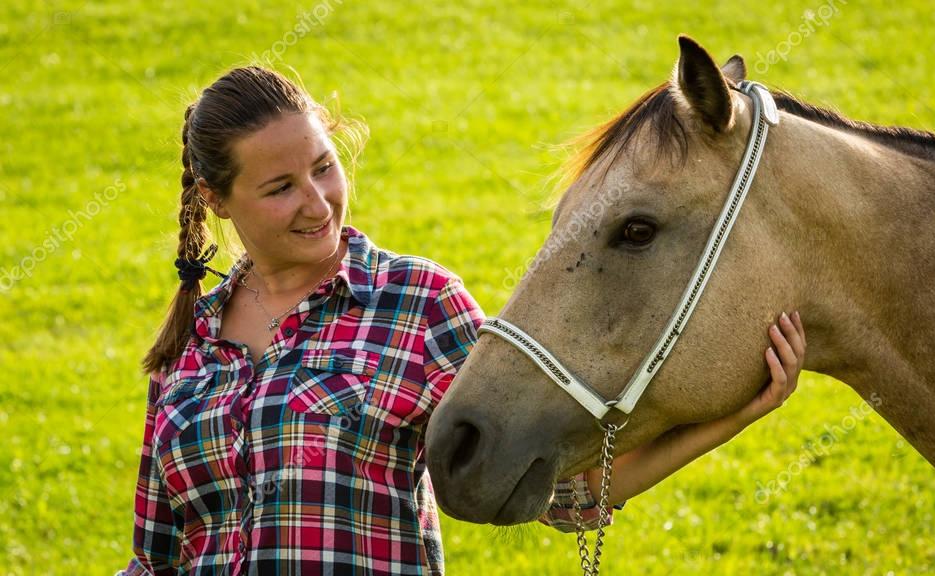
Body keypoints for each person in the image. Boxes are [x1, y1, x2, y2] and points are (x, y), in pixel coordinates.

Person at [120, 66, 806, 575]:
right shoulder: (190, 346)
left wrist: (736, 415)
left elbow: (565, 491)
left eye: (323, 168)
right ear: (216, 200)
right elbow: (154, 559)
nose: (318, 202)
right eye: (280, 188)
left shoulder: (418, 304)